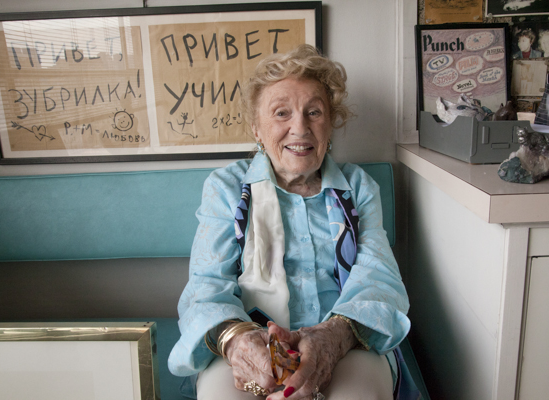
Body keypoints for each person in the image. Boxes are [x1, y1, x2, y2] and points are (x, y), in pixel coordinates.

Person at [168, 44, 411, 400]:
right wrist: (237, 341)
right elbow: (206, 284)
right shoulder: (226, 188)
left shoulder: (358, 187)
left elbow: (379, 276)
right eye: (281, 113)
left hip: (344, 338)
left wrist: (333, 337)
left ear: (331, 122)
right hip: (250, 335)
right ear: (256, 127)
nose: (300, 127)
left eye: (314, 112)